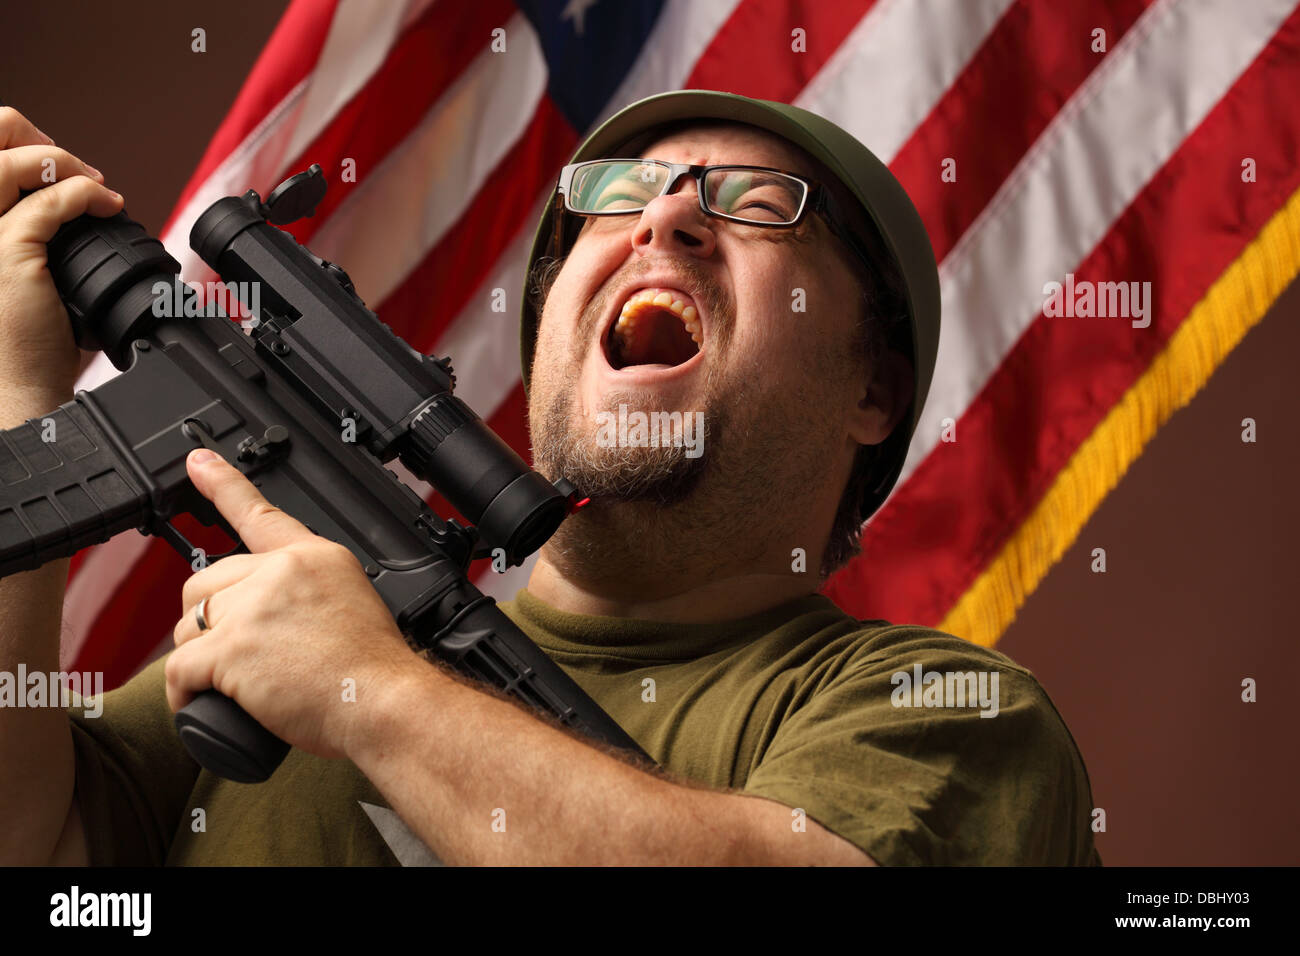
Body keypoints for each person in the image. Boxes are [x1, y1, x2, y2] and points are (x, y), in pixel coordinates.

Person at [0, 92, 1100, 866]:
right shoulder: (301, 628)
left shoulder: (939, 715)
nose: (664, 217)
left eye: (757, 202)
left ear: (872, 390)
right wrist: (18, 394)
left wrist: (375, 692)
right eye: (617, 196)